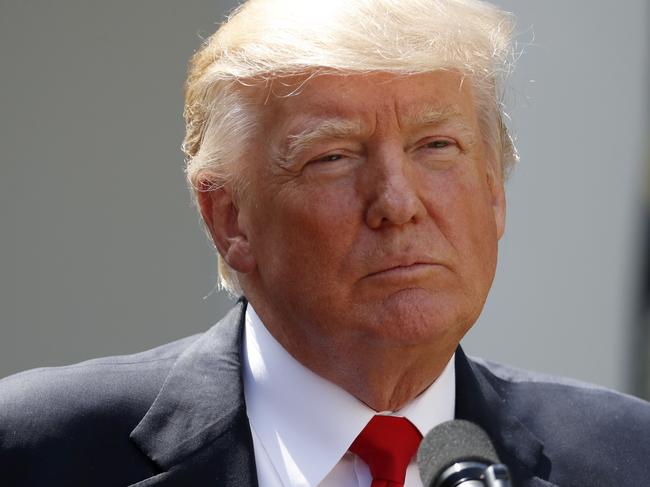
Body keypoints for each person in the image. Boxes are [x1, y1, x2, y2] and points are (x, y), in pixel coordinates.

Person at [1, 0, 649, 485]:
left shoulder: (626, 456)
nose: (397, 201)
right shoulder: (39, 449)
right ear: (230, 219)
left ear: (494, 190)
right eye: (333, 156)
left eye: (436, 146)